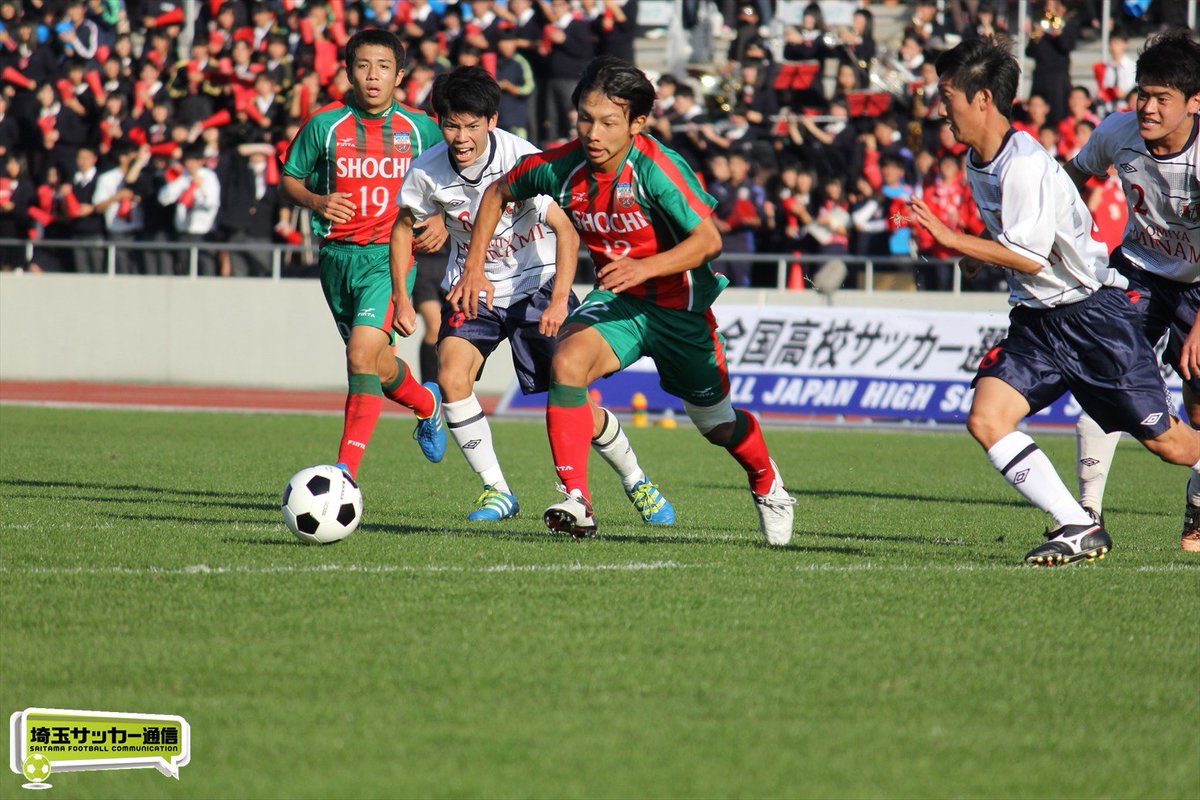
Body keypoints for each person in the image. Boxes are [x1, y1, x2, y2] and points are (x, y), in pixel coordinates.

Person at [456, 57, 794, 544]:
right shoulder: (560, 166)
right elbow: (496, 193)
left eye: (609, 122)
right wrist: (473, 266)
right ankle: (577, 499)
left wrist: (645, 266)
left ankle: (768, 485)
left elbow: (709, 241)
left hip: (680, 310)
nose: (594, 132)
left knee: (717, 425)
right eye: (585, 119)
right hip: (620, 305)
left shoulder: (657, 169)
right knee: (567, 364)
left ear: (637, 123)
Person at [909, 36, 1200, 566]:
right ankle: (1077, 523)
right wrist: (981, 249)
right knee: (987, 418)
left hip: (1090, 317)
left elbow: (1029, 258)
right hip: (1043, 318)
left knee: (1175, 447)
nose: (940, 107)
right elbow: (1028, 224)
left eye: (946, 95)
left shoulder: (1021, 164)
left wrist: (957, 242)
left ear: (981, 100)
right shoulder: (986, 158)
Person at [391, 66, 674, 525]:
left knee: (575, 402)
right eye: (451, 124)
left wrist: (560, 298)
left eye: (472, 125)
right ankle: (497, 490)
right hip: (473, 288)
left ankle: (636, 480)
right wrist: (403, 298)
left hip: (537, 285)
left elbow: (565, 230)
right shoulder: (426, 170)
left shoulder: (522, 159)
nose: (461, 137)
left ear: (492, 120)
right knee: (451, 374)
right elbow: (402, 227)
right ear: (438, 122)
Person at [280, 28, 448, 480]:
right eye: (363, 66)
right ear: (349, 71)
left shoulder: (421, 128)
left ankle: (343, 473)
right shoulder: (325, 124)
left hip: (389, 258)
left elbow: (457, 180)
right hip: (336, 257)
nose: (373, 76)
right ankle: (426, 403)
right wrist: (317, 201)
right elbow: (290, 179)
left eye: (384, 67)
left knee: (359, 356)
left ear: (400, 75)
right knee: (374, 362)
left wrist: (441, 220)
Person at [1064, 29, 1200, 551]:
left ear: (1193, 103)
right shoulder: (1117, 132)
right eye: (1142, 93)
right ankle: (1086, 514)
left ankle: (1197, 502)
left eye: (1162, 97)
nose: (1147, 106)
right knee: (1106, 380)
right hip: (1138, 271)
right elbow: (1072, 176)